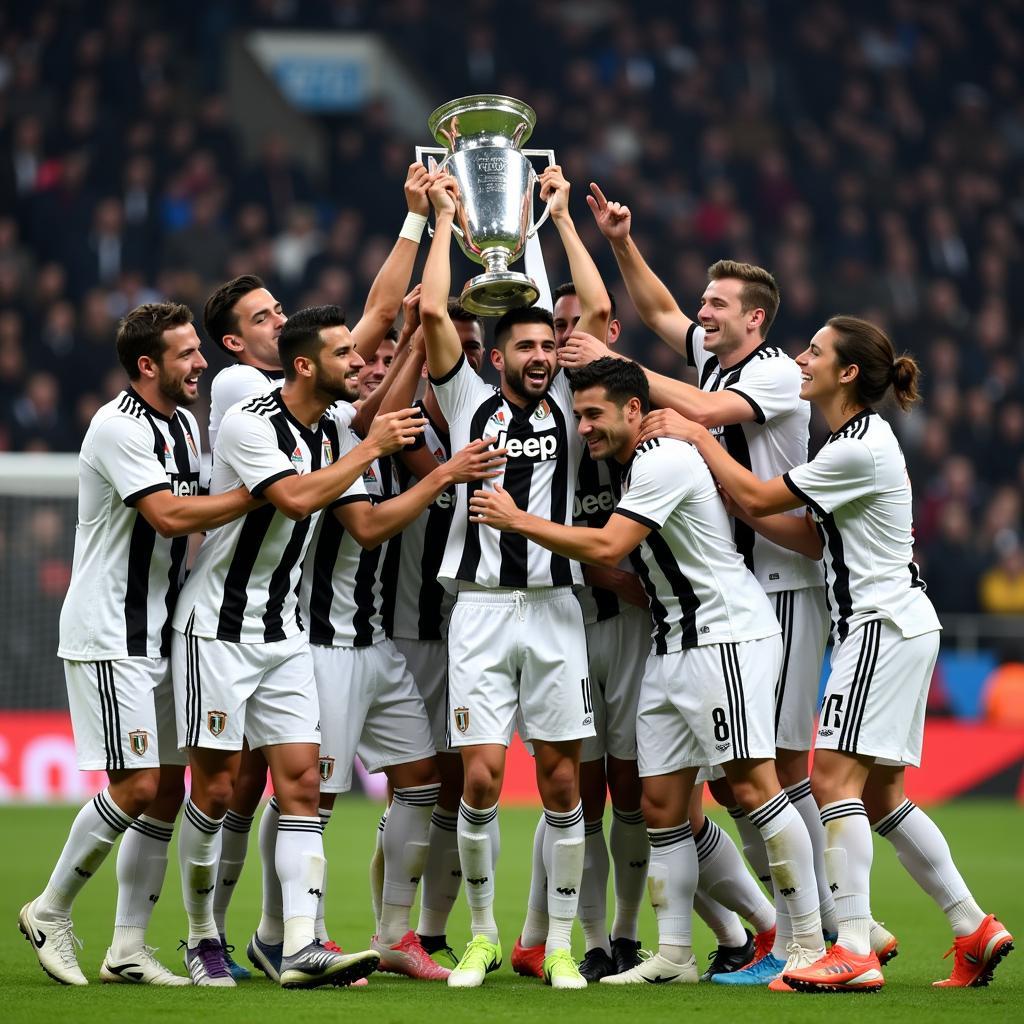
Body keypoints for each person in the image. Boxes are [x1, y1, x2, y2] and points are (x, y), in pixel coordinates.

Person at [639, 316, 1014, 992]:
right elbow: (803, 535)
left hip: (878, 625)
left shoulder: (856, 447)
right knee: (883, 797)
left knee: (833, 783)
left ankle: (852, 947)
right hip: (898, 622)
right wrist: (739, 505)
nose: (799, 359)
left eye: (814, 351)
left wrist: (699, 438)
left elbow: (758, 494)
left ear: (846, 373)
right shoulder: (853, 441)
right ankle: (973, 927)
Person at [469, 357, 827, 986]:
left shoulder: (662, 458)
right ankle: (676, 955)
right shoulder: (638, 460)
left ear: (634, 409)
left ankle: (806, 940)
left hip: (724, 637)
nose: (583, 428)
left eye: (593, 414)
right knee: (659, 804)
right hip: (670, 645)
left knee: (753, 787)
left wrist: (518, 521)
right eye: (577, 416)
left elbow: (610, 547)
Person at [566, 188, 849, 982]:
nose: (702, 314)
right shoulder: (716, 353)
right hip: (729, 582)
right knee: (726, 786)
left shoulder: (777, 374)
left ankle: (829, 934)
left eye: (718, 305)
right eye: (705, 303)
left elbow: (697, 410)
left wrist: (618, 374)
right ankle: (770, 933)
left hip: (781, 580)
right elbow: (657, 312)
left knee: (776, 771)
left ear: (756, 318)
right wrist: (621, 244)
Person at [201, 163, 432, 972]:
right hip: (222, 624)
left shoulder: (323, 408)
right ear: (241, 344)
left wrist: (414, 226)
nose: (278, 320)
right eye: (263, 316)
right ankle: (194, 936)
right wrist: (376, 441)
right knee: (212, 794)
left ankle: (292, 943)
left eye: (278, 312)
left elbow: (368, 333)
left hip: (285, 626)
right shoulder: (237, 391)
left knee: (292, 789)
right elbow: (305, 497)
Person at [18, 302, 259, 987]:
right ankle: (51, 908)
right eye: (187, 354)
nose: (202, 362)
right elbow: (170, 514)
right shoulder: (115, 427)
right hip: (108, 633)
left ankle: (127, 946)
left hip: (161, 630)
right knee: (137, 785)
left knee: (166, 789)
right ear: (147, 365)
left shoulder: (184, 424)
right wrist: (259, 493)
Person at [419, 171, 595, 990]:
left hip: (556, 608)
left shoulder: (568, 395)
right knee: (482, 776)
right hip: (482, 612)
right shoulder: (465, 402)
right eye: (523, 346)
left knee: (562, 780)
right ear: (495, 358)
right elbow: (428, 313)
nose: (538, 355)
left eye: (544, 346)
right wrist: (441, 219)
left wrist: (557, 221)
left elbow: (591, 313)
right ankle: (485, 936)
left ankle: (558, 943)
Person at [514, 279, 651, 984]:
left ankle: (626, 933)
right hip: (567, 616)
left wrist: (569, 221)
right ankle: (591, 939)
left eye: (574, 327)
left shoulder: (619, 413)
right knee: (578, 792)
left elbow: (595, 308)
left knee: (632, 790)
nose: (564, 340)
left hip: (631, 626)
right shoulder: (546, 416)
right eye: (550, 331)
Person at [376, 296, 488, 969]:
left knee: (456, 784)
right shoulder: (397, 428)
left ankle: (429, 930)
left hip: (472, 636)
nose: (465, 359)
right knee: (330, 790)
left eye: (474, 350)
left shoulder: (499, 429)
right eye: (457, 347)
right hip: (398, 633)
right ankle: (281, 929)